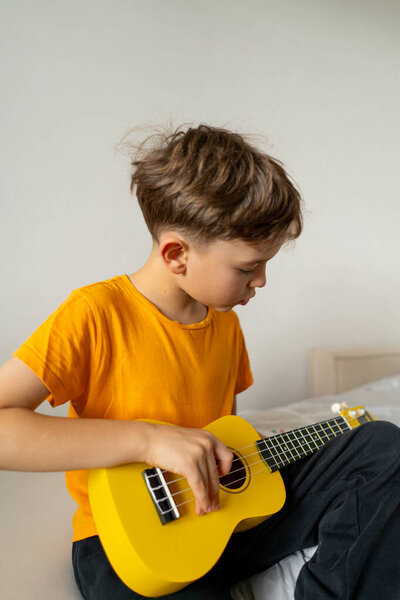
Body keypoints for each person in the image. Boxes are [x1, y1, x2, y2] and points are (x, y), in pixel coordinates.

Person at [0, 124, 398, 600]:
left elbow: (221, 429)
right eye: (247, 268)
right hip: (131, 545)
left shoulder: (225, 323)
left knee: (381, 446)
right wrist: (148, 440)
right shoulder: (94, 314)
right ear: (176, 254)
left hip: (223, 523)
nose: (262, 282)